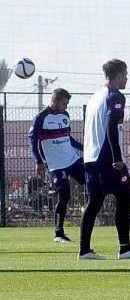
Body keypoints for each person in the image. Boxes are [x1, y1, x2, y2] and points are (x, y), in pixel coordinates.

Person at [78, 59, 130, 260]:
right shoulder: (115, 96)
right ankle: (124, 248)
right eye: (125, 74)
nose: (127, 78)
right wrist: (117, 157)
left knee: (94, 201)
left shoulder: (95, 96)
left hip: (90, 156)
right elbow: (110, 126)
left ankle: (84, 250)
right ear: (118, 75)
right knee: (125, 198)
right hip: (106, 156)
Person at [28, 88, 84, 243]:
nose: (66, 107)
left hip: (73, 160)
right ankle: (59, 233)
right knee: (64, 195)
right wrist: (38, 161)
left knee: (93, 182)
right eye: (64, 103)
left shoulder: (65, 115)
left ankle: (87, 207)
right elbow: (32, 140)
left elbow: (68, 138)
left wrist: (84, 148)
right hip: (56, 166)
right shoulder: (41, 118)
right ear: (55, 101)